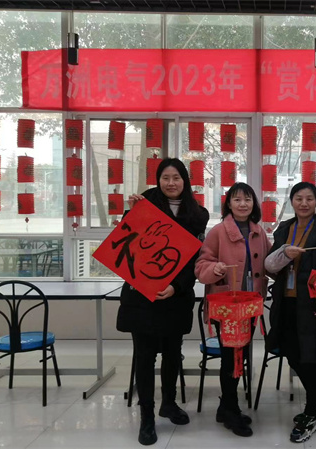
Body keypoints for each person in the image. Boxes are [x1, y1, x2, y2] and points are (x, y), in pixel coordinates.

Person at [116, 158, 209, 446]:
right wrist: (131, 214)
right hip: (142, 295)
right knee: (144, 356)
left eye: (176, 177)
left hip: (175, 296)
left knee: (172, 353)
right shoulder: (144, 204)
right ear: (158, 180)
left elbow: (193, 257)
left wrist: (176, 286)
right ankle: (146, 415)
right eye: (165, 177)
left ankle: (168, 403)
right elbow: (126, 245)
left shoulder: (198, 214)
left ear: (185, 181)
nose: (171, 183)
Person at [264, 181, 316, 444]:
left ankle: (311, 412)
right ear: (292, 201)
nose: (304, 203)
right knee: (291, 352)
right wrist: (284, 253)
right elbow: (269, 266)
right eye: (298, 198)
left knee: (315, 357)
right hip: (286, 302)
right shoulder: (285, 228)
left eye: (309, 198)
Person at [195, 182, 272, 437]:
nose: (242, 204)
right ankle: (231, 409)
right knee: (231, 357)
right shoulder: (218, 232)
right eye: (237, 199)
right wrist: (214, 268)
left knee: (243, 355)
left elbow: (269, 264)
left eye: (247, 199)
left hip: (250, 305)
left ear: (254, 204)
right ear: (228, 203)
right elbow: (201, 266)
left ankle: (225, 406)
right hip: (227, 306)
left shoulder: (259, 232)